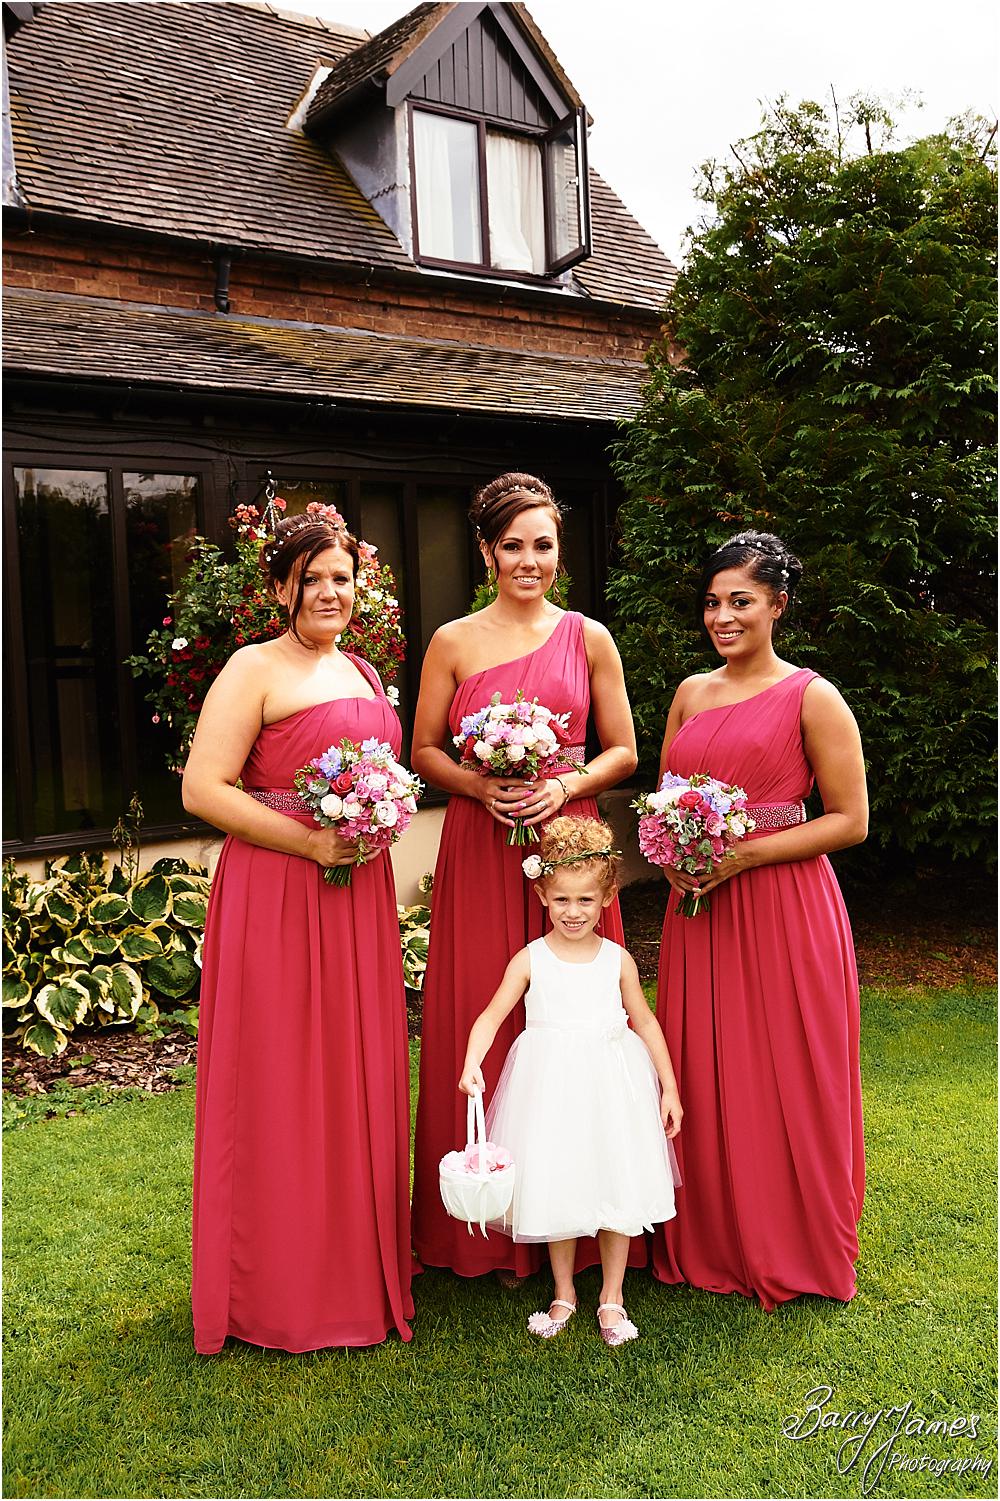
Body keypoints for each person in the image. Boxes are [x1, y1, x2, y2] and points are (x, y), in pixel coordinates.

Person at [182, 508, 414, 1353]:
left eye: (342, 578)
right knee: (281, 1075)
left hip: (356, 897)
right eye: (310, 578)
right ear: (280, 588)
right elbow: (205, 789)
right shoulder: (253, 667)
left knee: (356, 1068)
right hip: (278, 891)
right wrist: (314, 840)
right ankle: (277, 1287)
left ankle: (357, 1264)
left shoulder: (364, 671)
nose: (328, 592)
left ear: (361, 590)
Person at [410, 472, 639, 1279]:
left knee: (578, 1018)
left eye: (542, 545)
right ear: (485, 550)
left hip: (568, 844)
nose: (529, 560)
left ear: (558, 551)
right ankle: (484, 1211)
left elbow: (624, 749)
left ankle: (588, 1204)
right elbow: (424, 749)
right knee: (485, 1000)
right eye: (513, 545)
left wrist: (566, 786)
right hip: (479, 844)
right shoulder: (454, 640)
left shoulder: (589, 637)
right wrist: (476, 783)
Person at [651, 530, 868, 1310]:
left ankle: (794, 1239)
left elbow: (850, 820)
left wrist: (746, 854)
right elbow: (665, 801)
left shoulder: (813, 695)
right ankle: (707, 1234)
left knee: (787, 1069)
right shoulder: (690, 691)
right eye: (713, 601)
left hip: (782, 907)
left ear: (778, 604)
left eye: (741, 600)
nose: (723, 615)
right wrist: (670, 854)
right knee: (703, 1065)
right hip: (699, 909)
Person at [459, 818, 682, 1345]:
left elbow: (645, 1021)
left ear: (606, 898)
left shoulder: (617, 960)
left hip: (612, 1087)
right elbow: (491, 1016)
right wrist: (473, 1062)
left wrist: (668, 1087)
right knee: (555, 1180)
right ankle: (564, 1290)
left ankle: (612, 1295)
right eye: (562, 899)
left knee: (616, 1181)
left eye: (585, 899)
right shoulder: (531, 959)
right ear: (542, 894)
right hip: (550, 1087)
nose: (573, 911)